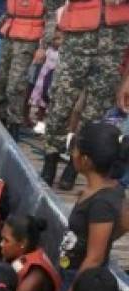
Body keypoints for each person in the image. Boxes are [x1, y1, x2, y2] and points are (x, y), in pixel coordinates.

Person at [41, 0, 129, 190]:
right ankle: (50, 159)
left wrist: (126, 80)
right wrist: (49, 31)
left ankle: (75, 166)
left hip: (114, 43)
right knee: (60, 105)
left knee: (95, 114)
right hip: (78, 38)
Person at [52, 122, 129, 291]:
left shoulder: (101, 202)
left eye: (75, 149)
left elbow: (94, 259)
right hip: (70, 269)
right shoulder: (107, 190)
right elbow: (124, 222)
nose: (73, 154)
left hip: (78, 279)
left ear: (86, 160)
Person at [0, 0, 55, 141]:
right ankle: (1, 122)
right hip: (9, 40)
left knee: (15, 86)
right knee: (1, 83)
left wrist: (43, 47)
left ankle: (14, 126)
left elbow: (51, 20)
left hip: (27, 43)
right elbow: (8, 15)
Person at [0, 214, 61, 291]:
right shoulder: (21, 255)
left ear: (23, 243)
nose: (0, 244)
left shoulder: (36, 275)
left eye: (6, 240)